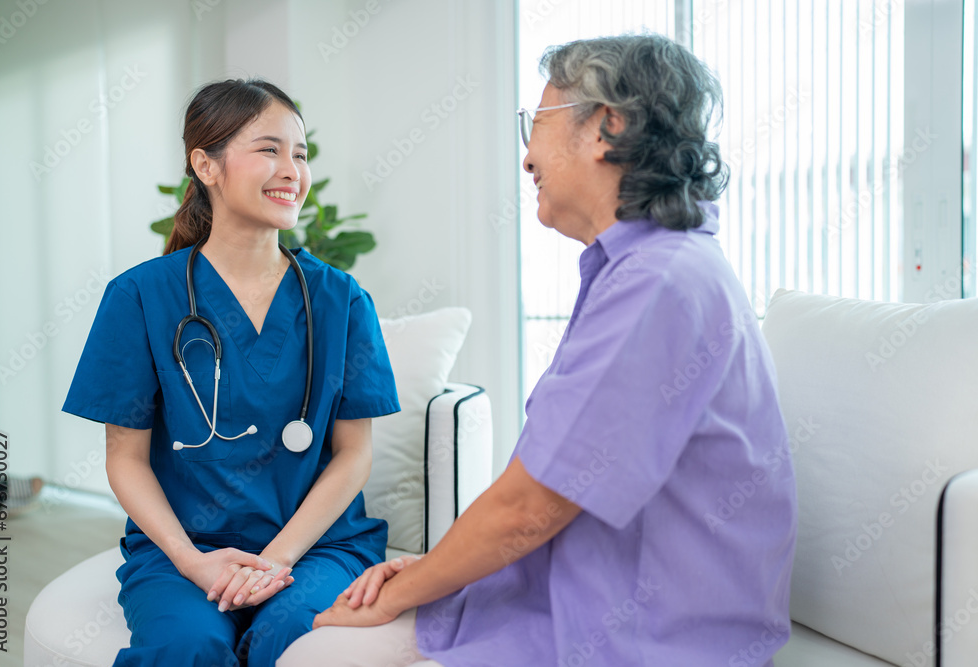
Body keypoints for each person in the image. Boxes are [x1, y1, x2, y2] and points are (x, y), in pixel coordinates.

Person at [278, 33, 798, 667]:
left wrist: (407, 588)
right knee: (316, 646)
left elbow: (530, 506)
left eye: (539, 124)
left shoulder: (660, 282)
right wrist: (434, 571)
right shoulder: (638, 270)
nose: (527, 159)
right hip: (564, 596)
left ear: (608, 127)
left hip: (643, 636)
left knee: (315, 657)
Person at [62, 79, 399, 666]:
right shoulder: (139, 297)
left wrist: (279, 558)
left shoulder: (340, 299)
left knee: (287, 637)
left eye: (300, 153)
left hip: (317, 546)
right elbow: (125, 457)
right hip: (183, 548)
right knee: (186, 645)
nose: (291, 168)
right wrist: (191, 560)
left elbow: (354, 454)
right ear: (206, 165)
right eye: (269, 149)